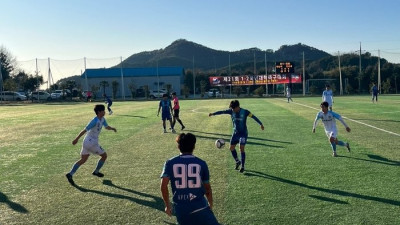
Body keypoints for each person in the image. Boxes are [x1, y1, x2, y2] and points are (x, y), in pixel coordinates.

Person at [160, 133, 219, 225]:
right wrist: (210, 204)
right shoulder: (201, 163)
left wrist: (167, 205)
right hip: (200, 206)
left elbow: (163, 186)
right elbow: (207, 189)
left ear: (178, 146)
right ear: (194, 146)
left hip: (181, 209)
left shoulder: (169, 163)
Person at [66, 104, 117, 186]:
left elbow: (106, 127)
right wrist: (76, 138)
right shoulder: (94, 121)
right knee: (104, 156)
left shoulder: (102, 119)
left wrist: (112, 128)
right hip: (91, 142)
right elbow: (85, 130)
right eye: (103, 110)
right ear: (99, 112)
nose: (105, 112)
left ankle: (70, 174)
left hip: (87, 142)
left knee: (83, 160)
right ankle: (96, 171)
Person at [209, 100, 264, 173]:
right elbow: (222, 112)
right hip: (235, 134)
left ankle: (243, 166)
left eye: (233, 108)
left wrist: (260, 124)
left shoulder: (245, 112)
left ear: (238, 107)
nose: (233, 110)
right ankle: (237, 161)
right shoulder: (231, 111)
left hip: (243, 134)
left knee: (241, 149)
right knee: (231, 148)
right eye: (232, 108)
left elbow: (253, 117)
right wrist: (213, 114)